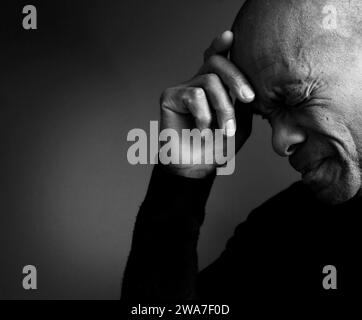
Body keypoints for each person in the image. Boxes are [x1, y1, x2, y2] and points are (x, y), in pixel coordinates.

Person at [122, 0, 362, 301]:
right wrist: (180, 185)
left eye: (295, 98)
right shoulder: (280, 237)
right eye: (266, 117)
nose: (279, 142)